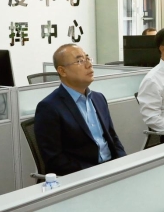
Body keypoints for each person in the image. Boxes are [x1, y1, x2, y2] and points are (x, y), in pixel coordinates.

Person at [35, 44, 126, 175]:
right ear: (62, 71)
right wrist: (93, 173)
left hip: (110, 169)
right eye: (80, 61)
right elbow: (54, 159)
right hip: (82, 176)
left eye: (87, 58)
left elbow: (113, 138)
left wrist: (123, 163)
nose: (89, 65)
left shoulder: (99, 98)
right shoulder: (49, 107)